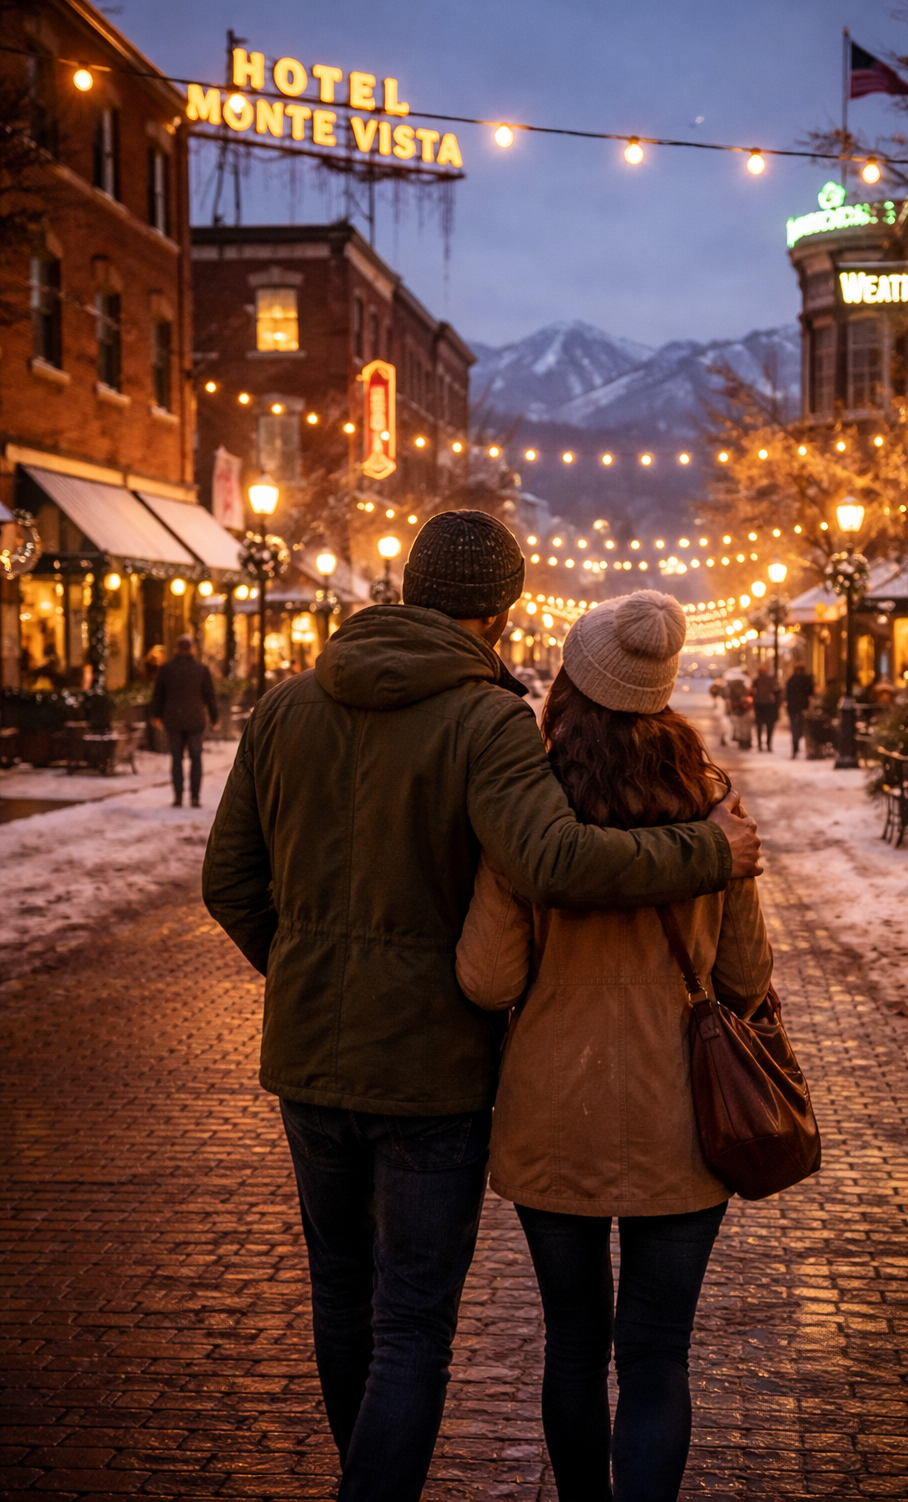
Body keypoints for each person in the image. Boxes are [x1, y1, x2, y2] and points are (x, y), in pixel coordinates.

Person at [202, 513, 762, 1502]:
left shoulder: (285, 707)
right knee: (412, 1324)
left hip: (308, 1058)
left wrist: (299, 972)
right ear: (501, 612)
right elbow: (549, 861)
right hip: (431, 1071)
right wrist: (708, 853)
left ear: (408, 587)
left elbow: (229, 880)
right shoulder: (485, 717)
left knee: (344, 1297)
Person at [456, 590, 773, 1502]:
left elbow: (487, 978)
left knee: (574, 1341)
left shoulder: (533, 814)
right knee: (656, 1351)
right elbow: (746, 976)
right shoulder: (713, 807)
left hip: (555, 1114)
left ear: (572, 685)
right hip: (685, 1116)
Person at [150, 634, 218, 807]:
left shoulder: (166, 669)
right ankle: (195, 797)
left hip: (173, 721)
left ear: (177, 649)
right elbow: (209, 695)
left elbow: (158, 695)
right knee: (196, 758)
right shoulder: (201, 669)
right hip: (196, 720)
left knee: (177, 758)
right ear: (192, 648)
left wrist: (156, 715)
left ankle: (178, 796)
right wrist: (214, 717)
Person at [785, 660, 815, 759]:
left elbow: (787, 694)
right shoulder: (806, 679)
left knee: (794, 728)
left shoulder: (791, 680)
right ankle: (803, 747)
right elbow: (811, 692)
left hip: (793, 707)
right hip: (803, 707)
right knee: (804, 728)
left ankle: (795, 748)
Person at [752, 666, 778, 752]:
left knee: (759, 725)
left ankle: (759, 744)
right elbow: (775, 690)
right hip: (768, 703)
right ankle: (768, 744)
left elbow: (753, 691)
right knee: (769, 725)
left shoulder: (756, 680)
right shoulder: (770, 679)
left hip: (759, 703)